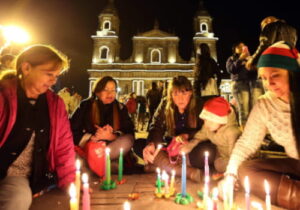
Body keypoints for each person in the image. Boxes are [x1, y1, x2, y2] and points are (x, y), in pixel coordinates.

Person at [221, 42, 300, 210]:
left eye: (275, 75)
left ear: (292, 73)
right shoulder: (265, 103)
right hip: (295, 163)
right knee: (246, 170)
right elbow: (247, 142)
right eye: (264, 78)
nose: (269, 83)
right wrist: (230, 174)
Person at [0, 45, 75, 210]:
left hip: (17, 176)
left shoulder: (55, 104)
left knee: (17, 199)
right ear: (26, 68)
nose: (54, 81)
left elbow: (64, 146)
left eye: (56, 76)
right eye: (49, 74)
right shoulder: (3, 95)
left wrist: (70, 181)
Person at [143, 76, 216, 182]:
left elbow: (205, 130)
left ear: (190, 93)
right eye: (176, 94)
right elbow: (156, 127)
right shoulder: (165, 105)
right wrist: (152, 144)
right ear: (171, 95)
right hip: (171, 147)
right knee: (140, 145)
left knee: (208, 152)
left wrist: (188, 136)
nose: (180, 99)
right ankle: (188, 171)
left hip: (190, 148)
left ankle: (160, 166)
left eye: (184, 93)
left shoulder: (198, 105)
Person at [70, 76, 134, 174]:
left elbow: (129, 130)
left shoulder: (120, 108)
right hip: (90, 148)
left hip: (111, 148)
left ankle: (93, 166)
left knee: (128, 140)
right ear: (97, 91)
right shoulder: (85, 106)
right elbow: (71, 130)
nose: (110, 93)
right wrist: (91, 137)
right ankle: (105, 166)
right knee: (72, 155)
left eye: (113, 90)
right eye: (106, 90)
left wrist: (112, 136)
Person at [181, 97, 241, 173]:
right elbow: (200, 136)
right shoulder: (209, 127)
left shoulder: (232, 132)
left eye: (211, 121)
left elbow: (236, 156)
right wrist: (191, 145)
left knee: (219, 165)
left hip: (233, 159)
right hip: (220, 156)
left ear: (220, 120)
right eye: (205, 120)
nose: (206, 124)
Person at [226, 42, 264, 127]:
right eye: (239, 47)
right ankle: (244, 131)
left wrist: (252, 63)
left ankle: (255, 130)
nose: (241, 48)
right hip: (239, 84)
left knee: (254, 108)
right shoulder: (232, 58)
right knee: (244, 109)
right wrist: (240, 59)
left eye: (243, 46)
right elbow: (231, 69)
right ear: (234, 49)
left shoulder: (250, 58)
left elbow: (256, 71)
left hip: (252, 84)